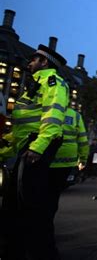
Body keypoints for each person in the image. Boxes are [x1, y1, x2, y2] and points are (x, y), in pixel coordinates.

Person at [1, 44, 69, 259]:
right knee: (13, 207)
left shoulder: (53, 83)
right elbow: (22, 125)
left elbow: (52, 118)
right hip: (27, 147)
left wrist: (38, 147)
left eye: (33, 60)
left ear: (44, 62)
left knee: (31, 209)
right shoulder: (35, 84)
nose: (29, 63)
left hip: (35, 148)